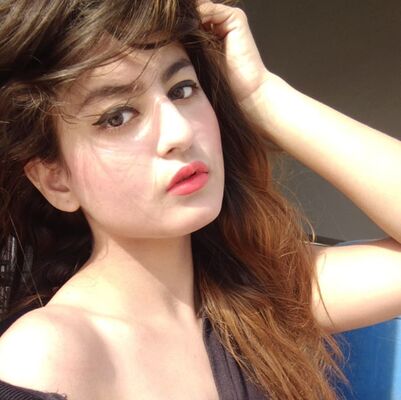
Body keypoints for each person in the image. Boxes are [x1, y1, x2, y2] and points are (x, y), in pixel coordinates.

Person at [0, 0, 400, 399]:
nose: (180, 132)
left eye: (182, 89)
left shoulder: (256, 295)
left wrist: (263, 95)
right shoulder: (46, 358)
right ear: (56, 181)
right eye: (118, 116)